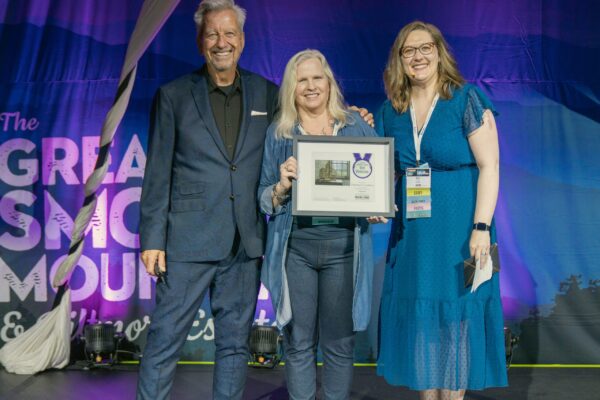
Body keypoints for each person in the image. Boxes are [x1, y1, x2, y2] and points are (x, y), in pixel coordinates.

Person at [136, 1, 279, 399]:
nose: (222, 42)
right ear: (201, 42)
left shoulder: (268, 94)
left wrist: (354, 119)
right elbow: (158, 171)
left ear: (243, 40)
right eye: (213, 34)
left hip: (244, 242)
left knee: (234, 347)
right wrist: (152, 238)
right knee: (164, 342)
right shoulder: (174, 95)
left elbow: (304, 128)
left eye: (230, 33)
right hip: (186, 243)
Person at [376, 21, 508, 400]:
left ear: (439, 52)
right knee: (424, 325)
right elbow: (382, 173)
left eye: (424, 48)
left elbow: (490, 166)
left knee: (457, 320)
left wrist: (481, 226)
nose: (417, 57)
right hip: (414, 237)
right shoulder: (391, 110)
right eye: (408, 51)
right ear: (399, 60)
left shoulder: (465, 99)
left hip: (463, 232)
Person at [258, 49, 386, 400]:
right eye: (302, 80)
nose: (311, 86)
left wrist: (377, 205)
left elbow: (381, 179)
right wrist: (282, 187)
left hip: (344, 250)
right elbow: (262, 196)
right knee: (298, 343)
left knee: (340, 344)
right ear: (291, 88)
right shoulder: (279, 134)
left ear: (329, 83)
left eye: (318, 78)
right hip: (296, 249)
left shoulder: (356, 126)